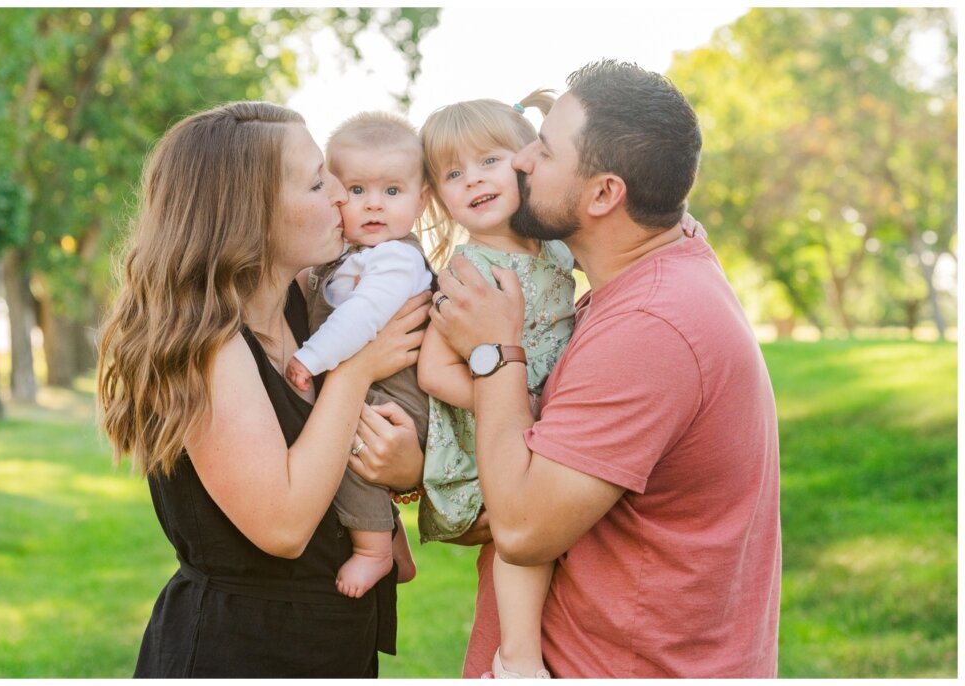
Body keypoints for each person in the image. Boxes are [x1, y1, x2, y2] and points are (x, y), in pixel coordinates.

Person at [429, 60, 782, 677]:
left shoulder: (649, 328)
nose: (520, 161)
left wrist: (495, 353)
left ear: (603, 194)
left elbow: (521, 529)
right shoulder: (665, 258)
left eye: (542, 149)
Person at [96, 101, 431, 678]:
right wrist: (355, 370)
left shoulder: (311, 308)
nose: (339, 195)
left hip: (332, 642)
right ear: (249, 213)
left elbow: (342, 457)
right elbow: (282, 526)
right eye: (315, 181)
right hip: (243, 650)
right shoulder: (210, 347)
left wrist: (404, 474)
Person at [414, 93, 576, 679]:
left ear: (527, 160)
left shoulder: (555, 245)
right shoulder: (468, 271)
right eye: (454, 173)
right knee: (525, 540)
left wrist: (680, 220)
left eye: (489, 161)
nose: (474, 180)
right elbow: (434, 372)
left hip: (543, 424)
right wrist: (515, 401)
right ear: (438, 197)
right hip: (489, 440)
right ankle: (518, 659)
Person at [283, 111, 433, 599]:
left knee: (347, 448)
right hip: (376, 384)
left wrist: (311, 357)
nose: (374, 205)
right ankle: (391, 539)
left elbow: (363, 317)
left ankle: (375, 551)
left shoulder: (396, 258)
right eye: (358, 190)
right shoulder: (350, 254)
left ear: (421, 200)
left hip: (397, 397)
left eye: (392, 191)